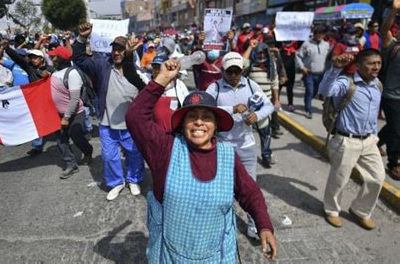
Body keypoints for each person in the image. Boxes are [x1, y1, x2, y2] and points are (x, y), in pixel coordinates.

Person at [126, 58, 277, 262]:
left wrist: (264, 225)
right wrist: (161, 79)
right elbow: (135, 118)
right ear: (182, 123)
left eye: (206, 117)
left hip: (217, 255)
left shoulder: (227, 155)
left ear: (215, 125)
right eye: (192, 116)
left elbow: (249, 193)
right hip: (169, 255)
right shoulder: (166, 148)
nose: (199, 121)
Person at [73, 23, 145, 201]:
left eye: (121, 49)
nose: (117, 52)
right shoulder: (102, 66)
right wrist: (82, 38)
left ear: (128, 51)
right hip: (107, 123)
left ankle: (133, 179)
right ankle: (116, 183)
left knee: (134, 154)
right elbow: (80, 59)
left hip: (131, 125)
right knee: (109, 156)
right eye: (114, 49)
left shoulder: (138, 73)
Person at [206, 52, 274, 239]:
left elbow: (268, 106)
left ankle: (253, 226)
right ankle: (221, 224)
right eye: (230, 72)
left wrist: (257, 116)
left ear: (242, 70)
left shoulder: (251, 85)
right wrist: (232, 109)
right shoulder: (215, 88)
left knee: (250, 187)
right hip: (223, 146)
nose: (234, 76)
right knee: (222, 188)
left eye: (237, 71)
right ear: (223, 71)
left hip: (246, 146)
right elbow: (206, 108)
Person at [319, 49, 385, 230]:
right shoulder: (346, 83)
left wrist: (375, 137)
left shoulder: (377, 84)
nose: (376, 67)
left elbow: (372, 115)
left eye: (379, 63)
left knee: (377, 177)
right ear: (359, 65)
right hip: (346, 141)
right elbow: (324, 90)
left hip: (369, 141)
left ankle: (360, 210)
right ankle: (331, 209)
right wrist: (334, 69)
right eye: (372, 63)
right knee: (339, 179)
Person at [2, 39, 55, 156]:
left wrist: (49, 75)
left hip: (51, 100)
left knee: (55, 120)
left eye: (35, 57)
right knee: (36, 121)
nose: (33, 60)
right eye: (31, 57)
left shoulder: (51, 69)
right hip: (36, 100)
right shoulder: (30, 68)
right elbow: (18, 59)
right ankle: (37, 146)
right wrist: (7, 48)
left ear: (41, 59)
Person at [47, 46, 93, 179]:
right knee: (61, 141)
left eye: (54, 56)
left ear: (61, 59)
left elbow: (74, 99)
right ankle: (71, 164)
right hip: (58, 115)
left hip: (75, 114)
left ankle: (88, 151)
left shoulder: (72, 74)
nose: (51, 58)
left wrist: (66, 117)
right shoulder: (55, 72)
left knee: (77, 137)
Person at [244, 41, 279, 168]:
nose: (261, 56)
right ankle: (244, 156)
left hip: (265, 106)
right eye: (258, 53)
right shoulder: (250, 65)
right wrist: (250, 47)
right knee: (246, 132)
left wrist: (276, 100)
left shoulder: (271, 65)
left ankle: (266, 155)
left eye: (263, 53)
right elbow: (242, 62)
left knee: (265, 132)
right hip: (250, 105)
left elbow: (275, 83)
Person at [380, 0, 400, 180]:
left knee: (395, 126)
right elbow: (384, 30)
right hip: (391, 96)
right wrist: (394, 10)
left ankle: (376, 142)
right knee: (397, 129)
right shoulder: (392, 46)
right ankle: (394, 163)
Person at [296, 25, 331, 119]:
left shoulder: (327, 45)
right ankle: (308, 110)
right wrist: (302, 67)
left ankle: (307, 102)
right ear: (314, 34)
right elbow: (298, 56)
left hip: (321, 74)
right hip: (309, 73)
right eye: (318, 33)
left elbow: (330, 59)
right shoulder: (307, 44)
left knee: (315, 92)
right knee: (310, 91)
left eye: (322, 33)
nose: (320, 35)